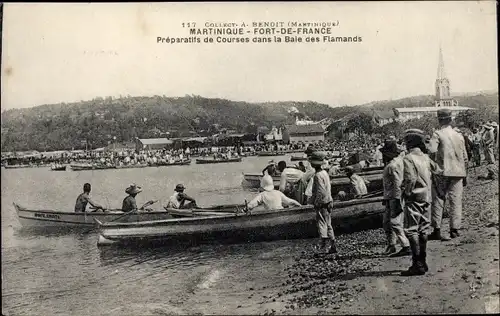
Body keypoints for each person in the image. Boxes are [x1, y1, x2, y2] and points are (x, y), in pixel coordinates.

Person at [401, 128, 439, 276]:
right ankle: (423, 261)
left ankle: (417, 263)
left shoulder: (408, 158)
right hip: (426, 196)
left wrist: (407, 192)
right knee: (423, 228)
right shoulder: (425, 157)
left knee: (411, 230)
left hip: (415, 196)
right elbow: (437, 170)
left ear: (409, 142)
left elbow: (410, 179)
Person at [428, 108, 468, 241]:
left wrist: (433, 167)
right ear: (450, 120)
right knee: (456, 201)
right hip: (458, 172)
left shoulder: (437, 134)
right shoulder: (459, 135)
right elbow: (465, 157)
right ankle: (454, 229)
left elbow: (432, 151)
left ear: (439, 120)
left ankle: (437, 229)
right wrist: (465, 174)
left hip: (442, 171)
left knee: (438, 199)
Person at [380, 137, 411, 257]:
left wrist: (398, 200)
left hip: (395, 197)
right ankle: (391, 244)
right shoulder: (396, 163)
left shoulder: (392, 166)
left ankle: (405, 245)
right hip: (390, 196)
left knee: (395, 222)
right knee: (386, 222)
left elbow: (398, 184)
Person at [309, 151, 337, 254]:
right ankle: (332, 245)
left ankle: (325, 246)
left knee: (322, 224)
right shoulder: (324, 173)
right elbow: (327, 189)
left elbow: (320, 191)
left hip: (323, 202)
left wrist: (317, 203)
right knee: (328, 224)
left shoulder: (317, 176)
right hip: (328, 200)